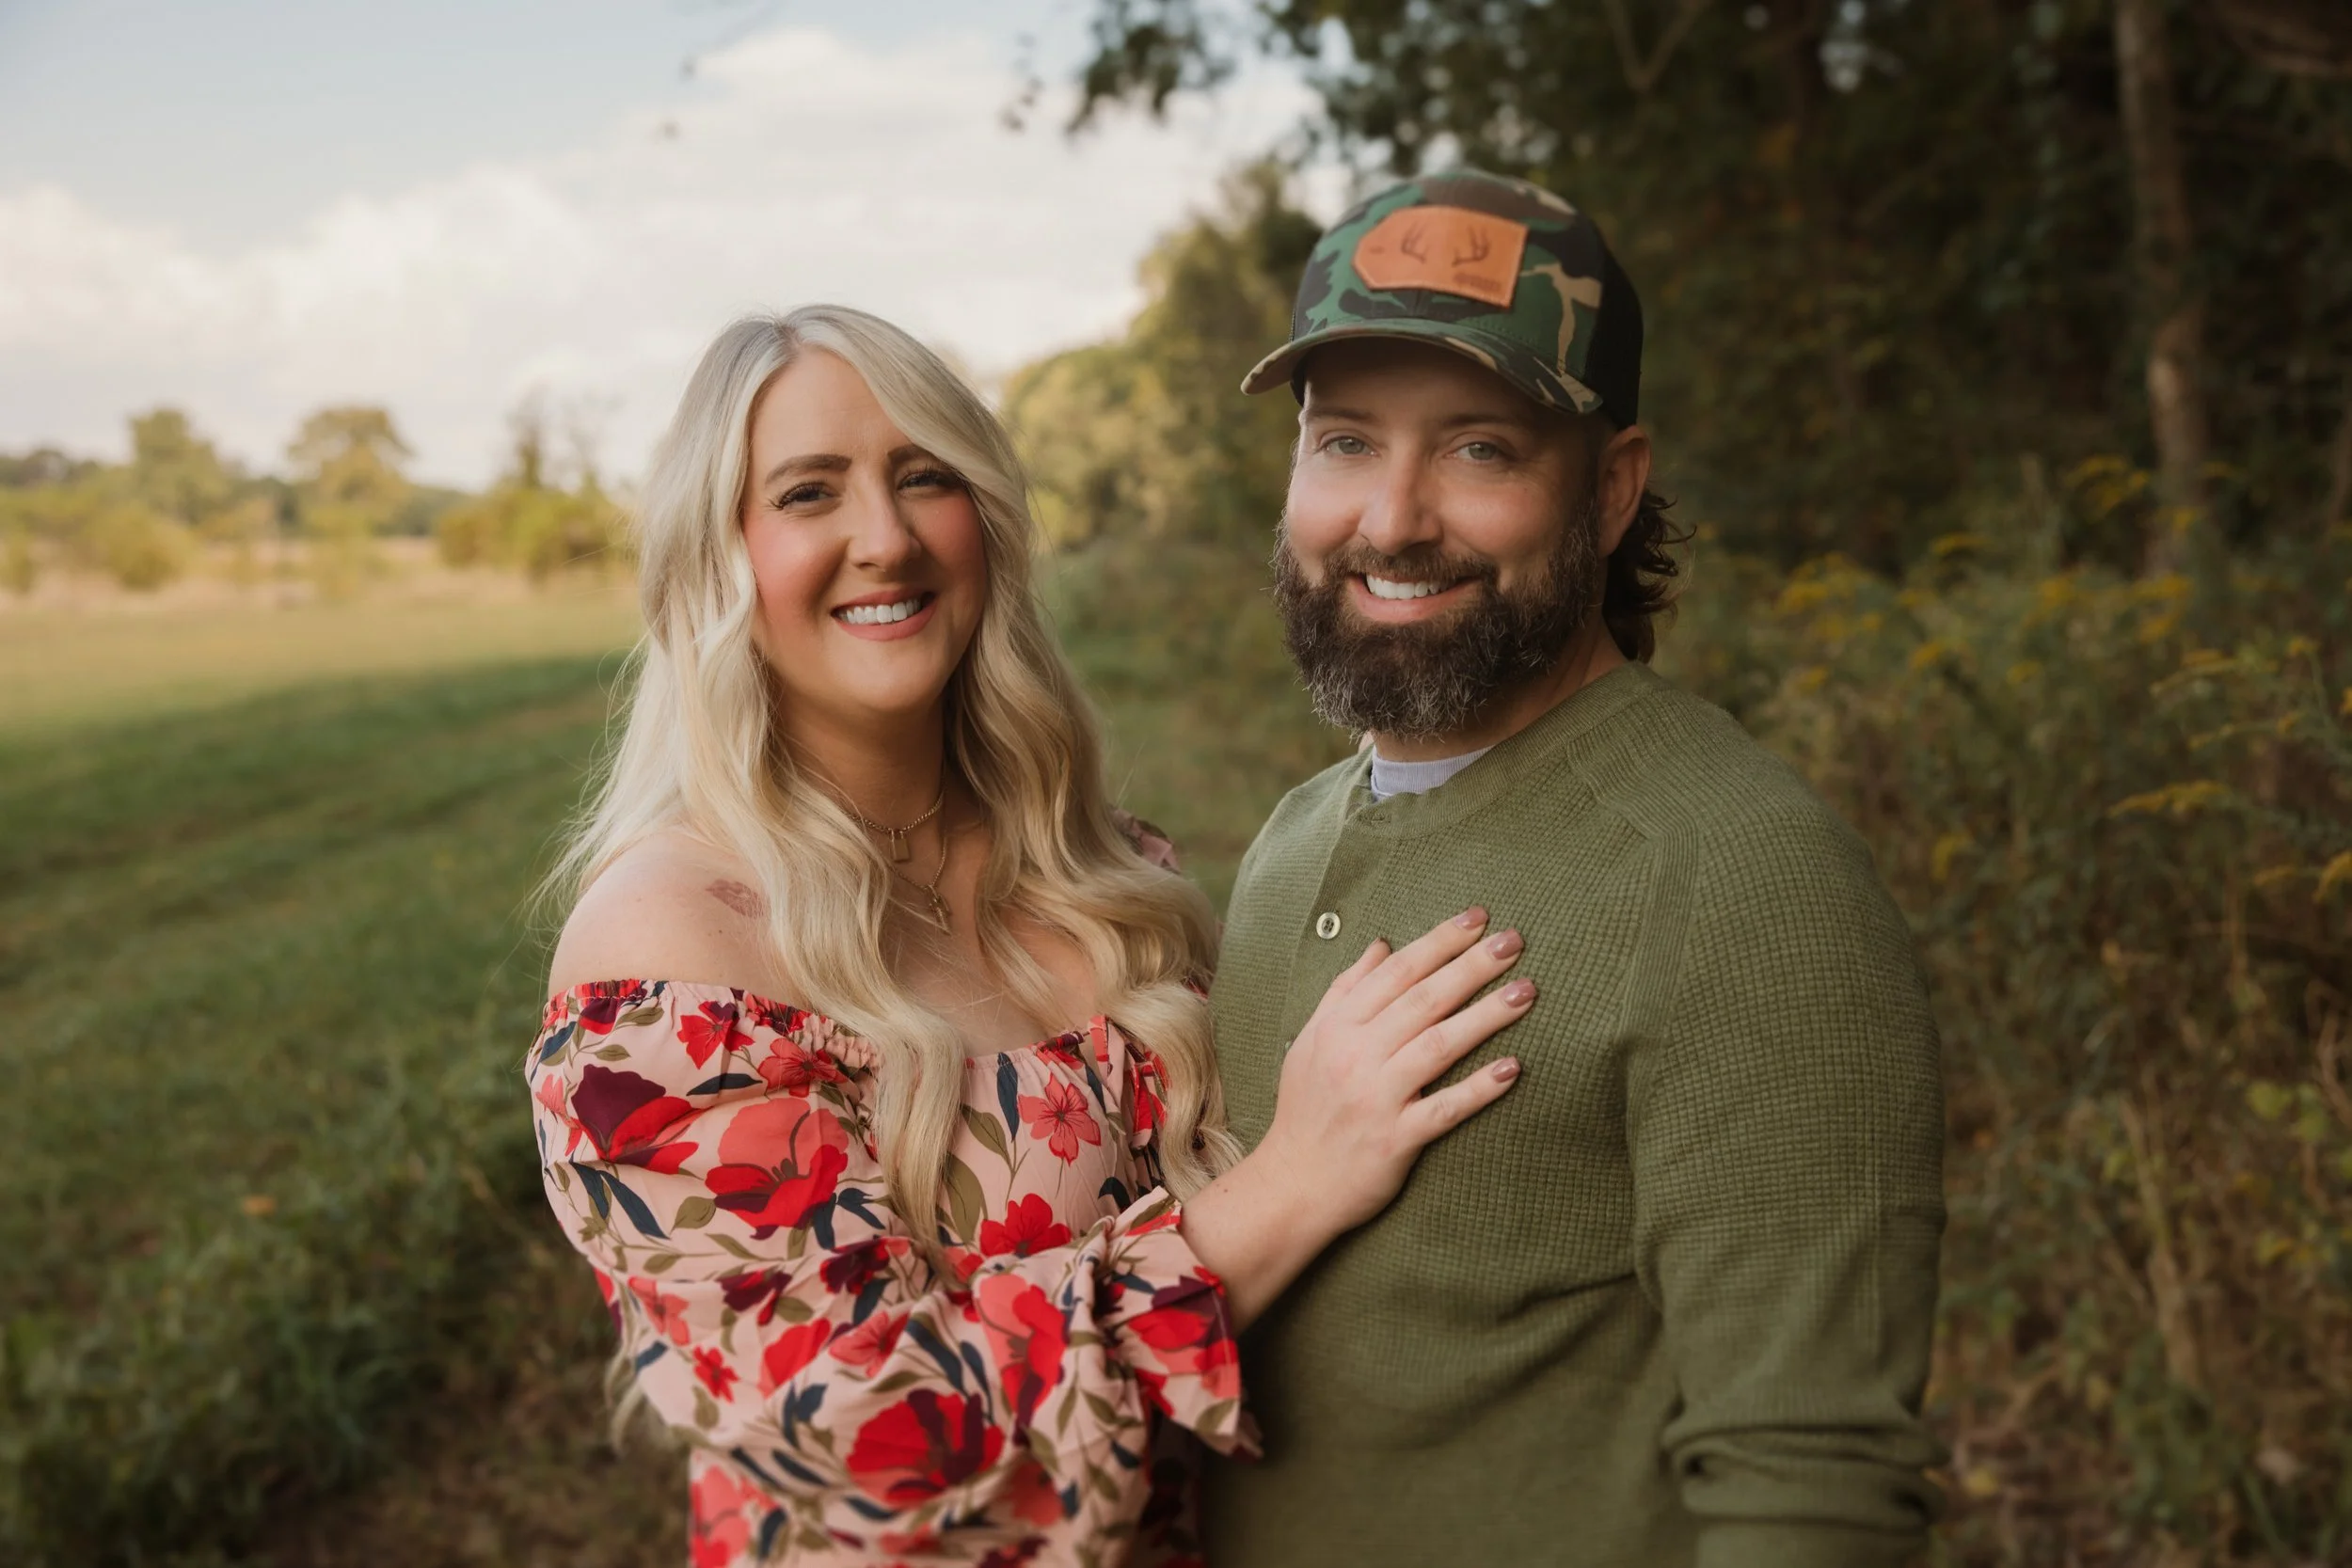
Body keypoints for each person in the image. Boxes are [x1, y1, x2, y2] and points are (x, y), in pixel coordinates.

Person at [525, 304, 1538, 1566]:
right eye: (808, 493)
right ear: (714, 557)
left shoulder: (1104, 867)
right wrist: (1288, 1187)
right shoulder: (668, 955)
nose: (886, 538)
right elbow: (875, 1429)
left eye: (923, 476)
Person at [1200, 170, 1948, 1566]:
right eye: (1345, 441)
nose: (1392, 518)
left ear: (1609, 490)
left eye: (1480, 449)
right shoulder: (1290, 842)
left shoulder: (1739, 875)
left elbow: (1810, 1493)